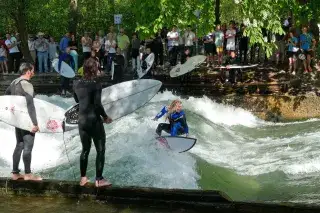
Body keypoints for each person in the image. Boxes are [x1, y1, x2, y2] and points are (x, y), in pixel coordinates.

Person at [73, 57, 113, 188]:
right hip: (94, 120)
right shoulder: (96, 84)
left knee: (85, 150)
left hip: (82, 120)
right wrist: (105, 117)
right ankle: (99, 179)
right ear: (94, 69)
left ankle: (83, 179)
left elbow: (76, 100)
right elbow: (97, 104)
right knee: (100, 150)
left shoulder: (76, 83)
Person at [4, 62, 42, 181]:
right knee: (27, 147)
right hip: (27, 120)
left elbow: (6, 95)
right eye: (33, 70)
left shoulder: (14, 82)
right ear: (28, 71)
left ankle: (15, 173)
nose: (33, 73)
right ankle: (28, 174)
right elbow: (30, 105)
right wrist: (35, 123)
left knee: (19, 145)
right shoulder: (27, 85)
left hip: (17, 119)